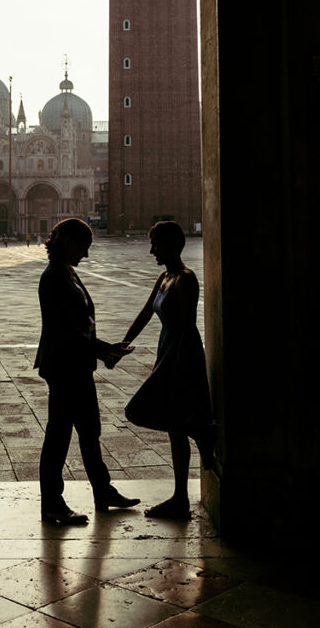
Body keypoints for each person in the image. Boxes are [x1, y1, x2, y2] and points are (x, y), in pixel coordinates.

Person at [35, 217, 139, 524]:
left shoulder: (66, 273)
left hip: (76, 365)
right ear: (68, 241)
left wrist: (103, 351)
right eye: (85, 247)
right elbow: (67, 332)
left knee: (90, 431)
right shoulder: (54, 277)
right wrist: (105, 348)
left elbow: (81, 326)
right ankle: (52, 502)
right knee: (59, 435)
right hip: (64, 366)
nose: (87, 255)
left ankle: (103, 490)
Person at [119, 221, 215, 520]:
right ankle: (180, 498)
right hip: (167, 349)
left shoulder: (186, 279)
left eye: (155, 245)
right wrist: (123, 344)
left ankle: (198, 431)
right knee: (174, 427)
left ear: (173, 245)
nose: (151, 251)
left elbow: (187, 325)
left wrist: (174, 365)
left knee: (137, 410)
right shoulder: (164, 277)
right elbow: (147, 312)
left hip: (181, 355)